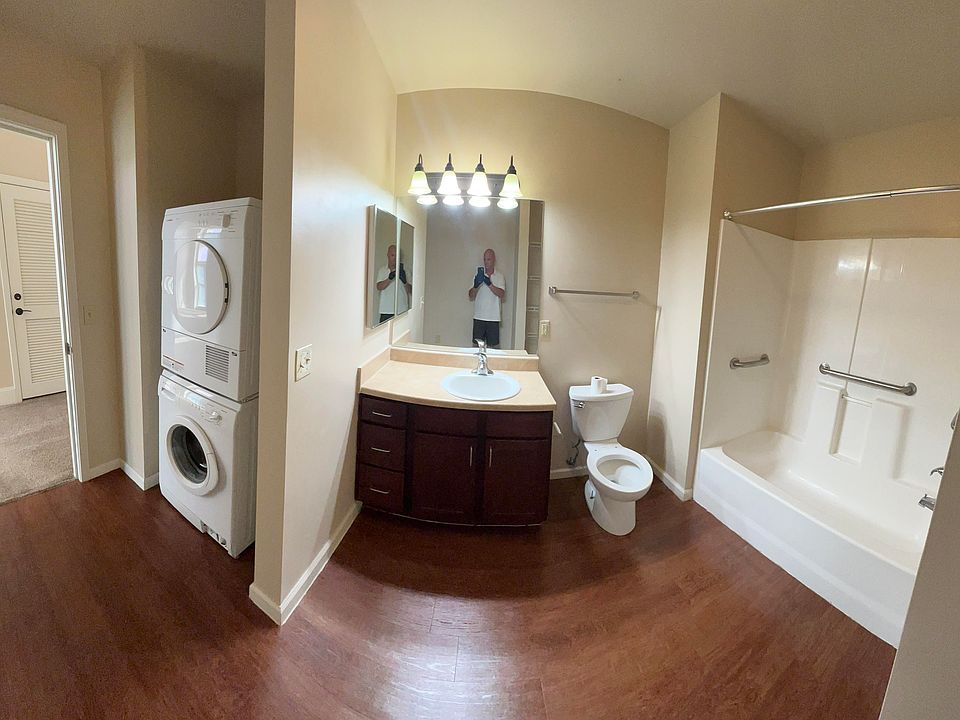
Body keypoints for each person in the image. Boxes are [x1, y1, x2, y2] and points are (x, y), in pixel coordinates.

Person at [467, 248, 506, 348]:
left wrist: (489, 284)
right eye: (484, 259)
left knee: (493, 349)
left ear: (494, 260)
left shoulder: (500, 276)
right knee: (476, 347)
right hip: (479, 317)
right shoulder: (478, 276)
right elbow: (470, 295)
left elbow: (502, 294)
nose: (486, 262)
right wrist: (476, 285)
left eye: (488, 259)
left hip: (493, 318)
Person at [375, 244, 410, 323]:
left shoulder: (406, 271)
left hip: (402, 310)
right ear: (388, 255)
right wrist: (389, 278)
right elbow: (379, 287)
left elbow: (411, 291)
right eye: (392, 255)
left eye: (397, 255)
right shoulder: (382, 270)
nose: (395, 258)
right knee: (384, 334)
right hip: (385, 310)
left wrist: (404, 282)